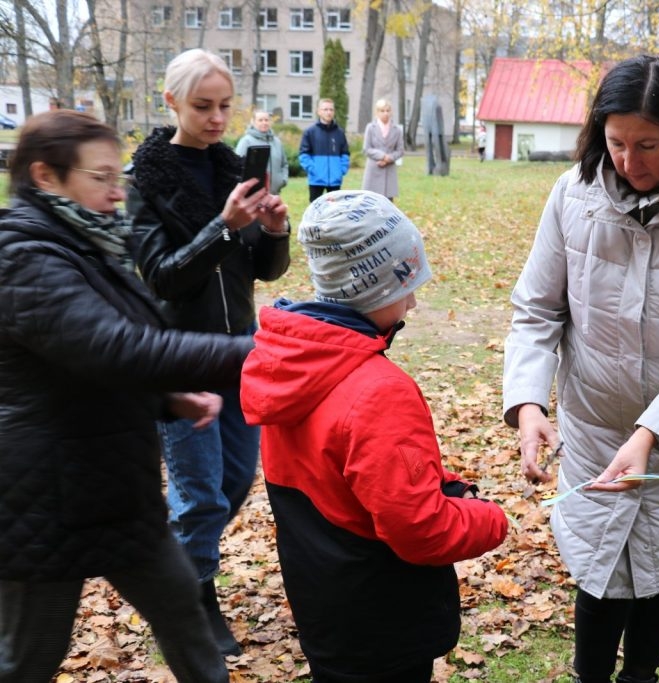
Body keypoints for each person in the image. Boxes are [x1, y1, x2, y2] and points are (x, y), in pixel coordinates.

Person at [502, 55, 659, 683]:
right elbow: (536, 310)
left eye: (648, 144)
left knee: (655, 562)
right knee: (599, 565)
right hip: (595, 427)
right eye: (616, 142)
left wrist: (652, 436)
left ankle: (640, 674)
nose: (629, 160)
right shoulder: (571, 195)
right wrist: (530, 402)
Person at [0, 109, 257, 683]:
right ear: (46, 177)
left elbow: (88, 360)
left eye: (118, 176)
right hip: (43, 497)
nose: (118, 192)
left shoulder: (87, 243)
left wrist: (167, 400)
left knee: (185, 623)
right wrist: (253, 353)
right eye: (101, 177)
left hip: (116, 485)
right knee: (29, 656)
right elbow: (114, 347)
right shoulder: (22, 256)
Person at [240, 190, 509, 682]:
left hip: (326, 613)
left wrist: (442, 484)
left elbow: (344, 478)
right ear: (374, 288)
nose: (413, 298)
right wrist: (491, 520)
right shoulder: (379, 391)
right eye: (406, 284)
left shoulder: (287, 364)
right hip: (385, 625)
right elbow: (420, 531)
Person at [127, 48, 292, 657]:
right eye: (203, 106)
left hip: (240, 354)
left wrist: (273, 230)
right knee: (200, 495)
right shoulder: (143, 179)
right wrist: (222, 227)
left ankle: (171, 568)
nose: (219, 118)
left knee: (233, 480)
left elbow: (261, 273)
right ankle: (193, 599)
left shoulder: (232, 170)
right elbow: (163, 277)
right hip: (180, 359)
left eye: (226, 105)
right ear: (170, 101)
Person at [299, 97, 350, 202]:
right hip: (316, 180)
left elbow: (345, 153)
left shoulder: (339, 132)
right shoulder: (310, 132)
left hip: (335, 180)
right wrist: (313, 169)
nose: (328, 112)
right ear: (318, 111)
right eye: (325, 109)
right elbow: (303, 155)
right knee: (316, 210)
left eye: (331, 109)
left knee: (335, 210)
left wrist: (341, 170)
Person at [235, 109, 289, 195]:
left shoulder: (277, 142)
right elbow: (237, 167)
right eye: (260, 120)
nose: (264, 123)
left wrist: (283, 180)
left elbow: (284, 164)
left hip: (274, 194)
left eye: (266, 120)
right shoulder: (246, 141)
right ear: (253, 122)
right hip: (253, 195)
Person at [361, 98, 404, 201]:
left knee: (388, 205)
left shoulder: (397, 129)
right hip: (373, 170)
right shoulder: (371, 127)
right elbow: (366, 149)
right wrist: (382, 156)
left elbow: (400, 150)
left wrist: (388, 158)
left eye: (388, 110)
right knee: (371, 203)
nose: (386, 113)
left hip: (389, 171)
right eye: (382, 111)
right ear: (377, 112)